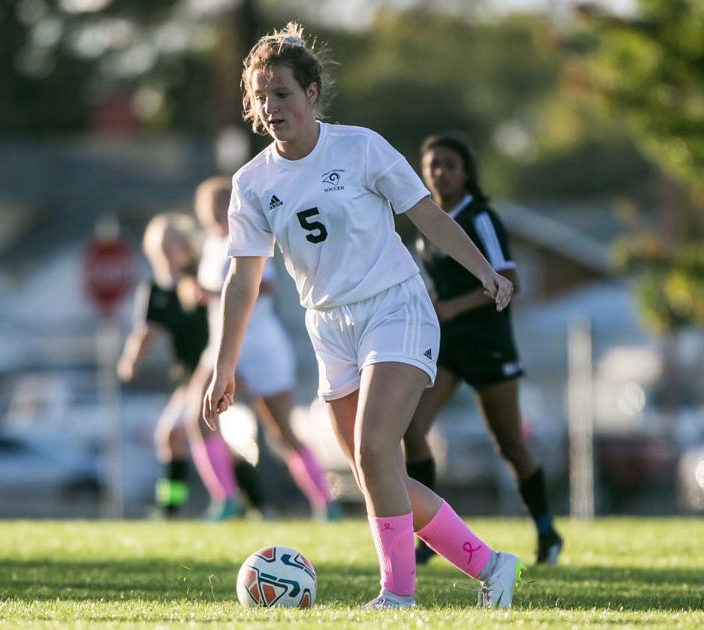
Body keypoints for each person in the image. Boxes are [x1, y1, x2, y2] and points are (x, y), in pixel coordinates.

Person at [203, 22, 523, 609]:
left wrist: (484, 271)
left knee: (377, 450)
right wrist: (224, 366)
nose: (271, 108)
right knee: (379, 477)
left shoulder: (361, 147)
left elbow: (426, 216)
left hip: (395, 308)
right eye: (260, 97)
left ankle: (398, 597)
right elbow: (242, 278)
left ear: (313, 93)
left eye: (283, 94)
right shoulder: (250, 184)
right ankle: (492, 565)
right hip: (328, 327)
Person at [406, 134, 564, 566]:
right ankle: (428, 535)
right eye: (432, 164)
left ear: (466, 172)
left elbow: (508, 275)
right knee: (412, 430)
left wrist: (453, 307)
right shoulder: (426, 220)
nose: (440, 172)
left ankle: (547, 531)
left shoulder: (480, 217)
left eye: (449, 164)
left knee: (510, 444)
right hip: (446, 348)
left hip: (488, 344)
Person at [188, 175, 336, 521]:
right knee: (197, 417)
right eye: (209, 207)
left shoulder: (247, 238)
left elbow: (262, 286)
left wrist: (211, 293)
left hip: (261, 346)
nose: (215, 212)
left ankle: (326, 503)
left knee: (281, 432)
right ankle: (225, 498)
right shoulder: (209, 246)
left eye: (221, 204)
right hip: (222, 346)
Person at [117, 215, 265, 517]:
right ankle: (252, 504)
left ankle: (200, 505)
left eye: (171, 242)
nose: (165, 250)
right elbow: (146, 329)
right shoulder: (155, 289)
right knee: (194, 439)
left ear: (183, 246)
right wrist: (131, 359)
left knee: (177, 434)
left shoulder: (197, 275)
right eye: (159, 244)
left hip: (212, 370)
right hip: (186, 375)